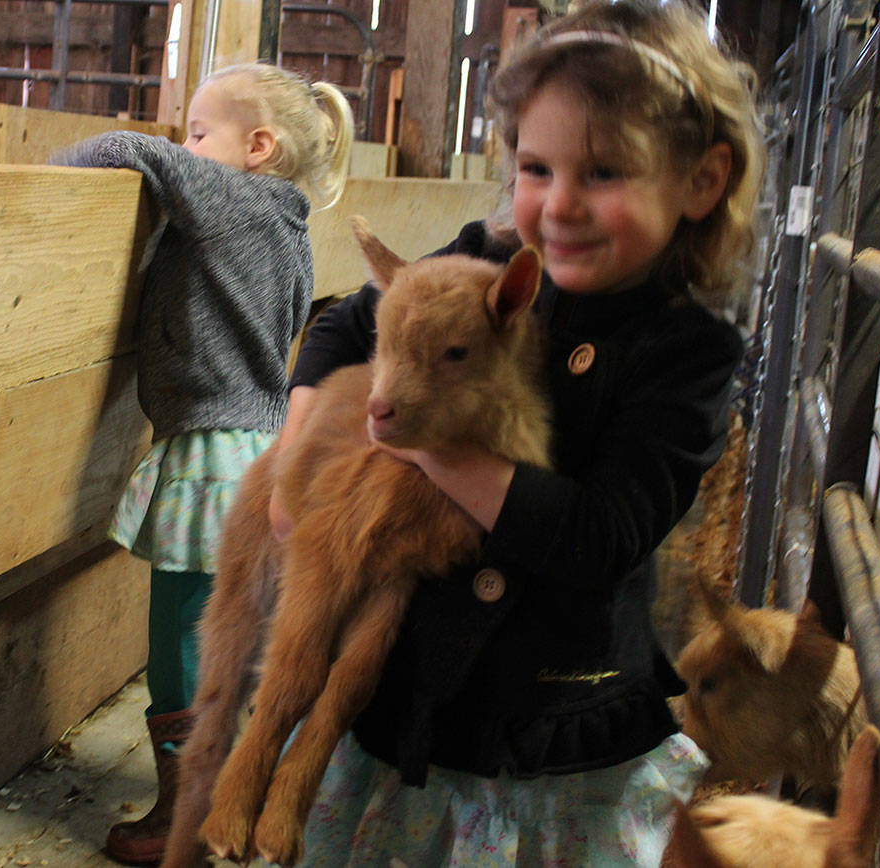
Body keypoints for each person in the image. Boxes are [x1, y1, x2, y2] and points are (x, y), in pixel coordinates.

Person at [272, 1, 763, 864]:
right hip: (406, 713)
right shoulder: (486, 259)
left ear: (701, 179)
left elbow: (597, 537)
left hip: (556, 738)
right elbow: (355, 322)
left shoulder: (687, 354)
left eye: (604, 173)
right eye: (537, 167)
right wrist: (302, 423)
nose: (560, 204)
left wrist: (416, 436)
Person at [50, 63, 353, 865]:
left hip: (211, 448)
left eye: (196, 132)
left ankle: (183, 816)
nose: (183, 145)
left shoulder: (234, 200)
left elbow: (126, 148)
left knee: (182, 635)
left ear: (259, 147)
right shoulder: (286, 222)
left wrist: (34, 189)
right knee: (227, 635)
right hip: (252, 448)